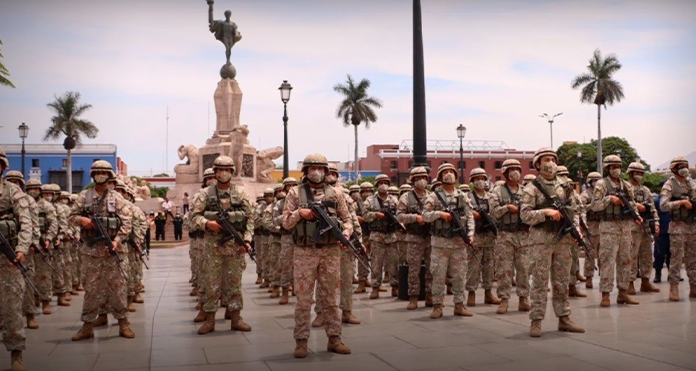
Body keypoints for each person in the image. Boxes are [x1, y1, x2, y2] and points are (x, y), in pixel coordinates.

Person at [282, 153, 352, 358]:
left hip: (330, 252)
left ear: (327, 172)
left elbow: (347, 220)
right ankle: (301, 341)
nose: (317, 172)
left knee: (330, 298)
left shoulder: (336, 194)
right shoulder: (295, 193)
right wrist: (299, 214)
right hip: (305, 252)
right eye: (312, 168)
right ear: (305, 171)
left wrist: (345, 234)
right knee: (303, 299)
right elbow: (285, 222)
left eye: (321, 168)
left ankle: (334, 339)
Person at [520, 147, 584, 337]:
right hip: (541, 241)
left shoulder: (565, 185)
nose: (550, 163)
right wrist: (545, 212)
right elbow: (524, 215)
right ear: (538, 164)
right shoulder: (532, 188)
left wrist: (577, 230)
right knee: (539, 281)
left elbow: (576, 209)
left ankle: (564, 318)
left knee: (562, 281)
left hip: (563, 239)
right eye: (546, 159)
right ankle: (536, 320)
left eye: (553, 159)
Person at [70, 160, 135, 341]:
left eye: (104, 172)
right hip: (91, 252)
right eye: (97, 172)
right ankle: (87, 326)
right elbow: (71, 217)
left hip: (113, 251)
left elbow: (127, 223)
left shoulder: (118, 199)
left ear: (109, 176)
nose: (100, 175)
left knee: (118, 287)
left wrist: (117, 241)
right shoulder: (84, 197)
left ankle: (123, 324)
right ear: (92, 175)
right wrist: (82, 220)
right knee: (91, 289)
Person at [190, 156, 253, 334]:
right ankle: (210, 320)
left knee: (234, 283)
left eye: (227, 170)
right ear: (215, 172)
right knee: (211, 282)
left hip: (235, 245)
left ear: (232, 172)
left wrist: (247, 240)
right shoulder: (205, 194)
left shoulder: (240, 193)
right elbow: (194, 217)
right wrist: (207, 224)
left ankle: (236, 318)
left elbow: (250, 218)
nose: (223, 173)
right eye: (219, 170)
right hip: (213, 246)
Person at [422, 163, 475, 319]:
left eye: (451, 171)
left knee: (459, 275)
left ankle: (459, 305)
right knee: (438, 275)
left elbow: (470, 216)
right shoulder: (433, 196)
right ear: (440, 177)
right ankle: (437, 306)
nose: (449, 174)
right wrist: (439, 214)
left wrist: (471, 234)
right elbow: (425, 215)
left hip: (458, 243)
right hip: (440, 243)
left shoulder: (462, 196)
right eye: (445, 172)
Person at [590, 155, 641, 307]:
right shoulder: (601, 184)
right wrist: (609, 199)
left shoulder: (626, 185)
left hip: (625, 227)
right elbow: (594, 205)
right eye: (613, 167)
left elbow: (632, 204)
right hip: (608, 227)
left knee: (626, 260)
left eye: (618, 166)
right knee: (607, 261)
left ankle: (623, 293)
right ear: (607, 168)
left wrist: (637, 217)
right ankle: (605, 294)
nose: (616, 169)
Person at [0, 148, 32, 371]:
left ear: (2, 166)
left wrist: (21, 248)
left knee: (12, 308)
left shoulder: (13, 192)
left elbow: (26, 223)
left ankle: (16, 356)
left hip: (7, 258)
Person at [489, 159, 531, 314]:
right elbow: (492, 213)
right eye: (512, 169)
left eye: (517, 169)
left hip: (523, 235)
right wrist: (506, 208)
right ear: (505, 173)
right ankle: (504, 300)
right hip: (504, 235)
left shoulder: (526, 191)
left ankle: (524, 299)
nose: (515, 172)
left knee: (524, 268)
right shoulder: (497, 191)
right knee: (504, 269)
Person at [659, 156, 696, 301]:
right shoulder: (669, 185)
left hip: (693, 226)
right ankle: (673, 288)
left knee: (693, 259)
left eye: (685, 166)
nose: (684, 169)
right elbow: (663, 205)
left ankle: (694, 287)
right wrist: (680, 202)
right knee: (676, 259)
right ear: (674, 169)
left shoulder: (691, 184)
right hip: (678, 227)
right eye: (680, 166)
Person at [397, 167, 433, 310]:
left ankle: (430, 296)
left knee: (432, 269)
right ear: (412, 181)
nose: (421, 181)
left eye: (423, 177)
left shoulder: (432, 196)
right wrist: (415, 218)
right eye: (417, 178)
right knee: (414, 269)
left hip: (430, 237)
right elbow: (399, 216)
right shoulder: (406, 197)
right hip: (413, 238)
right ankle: (413, 297)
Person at [466, 168, 501, 307]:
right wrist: (472, 213)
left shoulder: (491, 196)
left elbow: (496, 212)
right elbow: (463, 214)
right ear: (472, 181)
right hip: (476, 235)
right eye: (477, 178)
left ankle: (488, 293)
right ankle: (471, 294)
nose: (480, 181)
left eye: (482, 178)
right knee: (473, 267)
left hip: (489, 236)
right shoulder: (467, 197)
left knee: (489, 266)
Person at [364, 174, 400, 299]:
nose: (383, 185)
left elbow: (400, 215)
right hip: (377, 236)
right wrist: (376, 215)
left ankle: (395, 287)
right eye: (380, 183)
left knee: (394, 263)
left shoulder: (394, 200)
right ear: (377, 185)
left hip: (391, 236)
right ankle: (375, 287)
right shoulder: (370, 200)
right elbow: (365, 216)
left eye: (385, 182)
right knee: (376, 263)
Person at [626, 162, 660, 294]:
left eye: (641, 173)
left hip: (646, 226)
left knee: (646, 255)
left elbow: (652, 208)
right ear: (630, 173)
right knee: (631, 256)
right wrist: (636, 206)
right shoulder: (626, 188)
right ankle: (630, 283)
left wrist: (656, 223)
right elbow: (623, 203)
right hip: (632, 226)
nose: (639, 175)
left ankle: (646, 281)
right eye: (636, 173)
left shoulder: (646, 190)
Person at [556, 166, 587, 298]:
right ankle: (560, 289)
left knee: (574, 259)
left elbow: (579, 210)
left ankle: (572, 286)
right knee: (559, 262)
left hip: (572, 229)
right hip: (557, 231)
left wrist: (580, 226)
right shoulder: (554, 192)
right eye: (561, 175)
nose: (564, 177)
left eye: (566, 174)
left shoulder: (573, 193)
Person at [277, 177, 298, 305]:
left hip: (300, 236)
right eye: (288, 185)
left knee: (301, 266)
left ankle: (298, 290)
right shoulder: (280, 203)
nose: (290, 187)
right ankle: (285, 292)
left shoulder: (302, 200)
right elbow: (275, 219)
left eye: (293, 185)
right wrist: (289, 215)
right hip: (287, 237)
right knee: (286, 265)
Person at [580, 172, 602, 289]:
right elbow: (580, 209)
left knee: (604, 255)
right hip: (591, 228)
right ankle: (588, 277)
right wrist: (592, 205)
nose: (596, 182)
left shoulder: (603, 193)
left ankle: (604, 277)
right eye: (594, 180)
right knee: (590, 254)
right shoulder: (585, 194)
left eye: (598, 180)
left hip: (603, 227)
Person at [653, 185, 671, 283]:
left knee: (672, 254)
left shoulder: (672, 200)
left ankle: (671, 274)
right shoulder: (657, 201)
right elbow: (653, 215)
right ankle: (658, 274)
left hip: (672, 231)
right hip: (660, 232)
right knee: (659, 254)